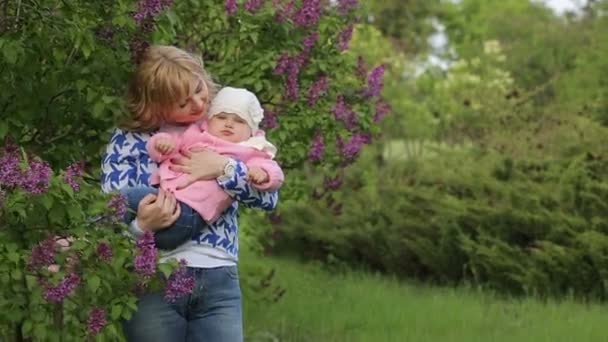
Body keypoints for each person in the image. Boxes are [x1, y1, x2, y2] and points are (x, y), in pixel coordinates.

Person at [100, 45, 279, 342]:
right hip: (152, 276)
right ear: (156, 105)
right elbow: (112, 210)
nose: (198, 104)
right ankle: (71, 246)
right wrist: (140, 227)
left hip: (217, 276)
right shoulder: (128, 141)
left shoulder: (221, 124)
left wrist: (223, 168)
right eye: (183, 102)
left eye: (199, 89)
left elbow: (269, 197)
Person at [121, 86, 284, 250]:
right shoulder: (195, 135)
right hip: (165, 204)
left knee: (130, 201)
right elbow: (170, 147)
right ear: (209, 120)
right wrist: (162, 144)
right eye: (221, 117)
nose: (229, 124)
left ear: (251, 131)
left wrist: (262, 175)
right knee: (127, 202)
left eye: (240, 121)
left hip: (191, 213)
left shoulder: (250, 151)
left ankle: (111, 233)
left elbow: (273, 175)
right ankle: (107, 234)